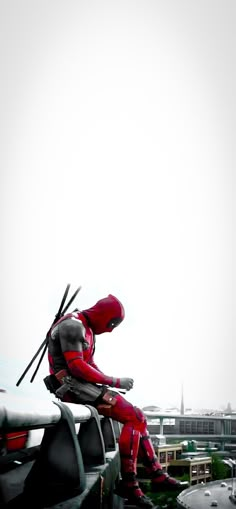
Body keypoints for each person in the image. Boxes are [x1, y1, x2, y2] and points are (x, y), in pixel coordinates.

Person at [45, 294, 186, 509]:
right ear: (102, 314)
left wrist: (107, 384)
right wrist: (114, 381)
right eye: (111, 323)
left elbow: (89, 364)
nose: (110, 329)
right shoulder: (73, 326)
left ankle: (153, 473)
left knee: (137, 416)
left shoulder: (85, 328)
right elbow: (76, 366)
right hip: (72, 388)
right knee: (134, 415)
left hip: (82, 387)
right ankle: (134, 482)